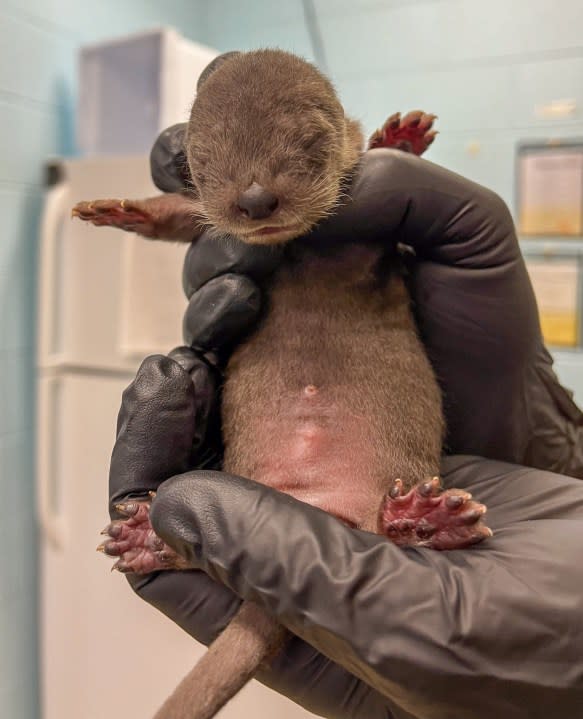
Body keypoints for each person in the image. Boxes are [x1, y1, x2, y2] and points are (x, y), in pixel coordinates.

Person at [108, 126, 583, 718]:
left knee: (216, 511)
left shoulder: (365, 204)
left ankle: (381, 529)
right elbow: (188, 214)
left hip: (353, 479)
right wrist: (154, 216)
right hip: (285, 482)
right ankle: (395, 527)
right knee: (230, 508)